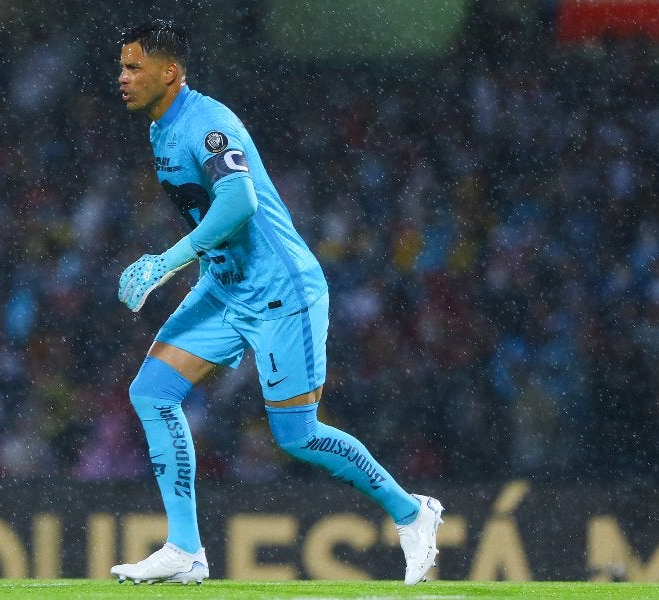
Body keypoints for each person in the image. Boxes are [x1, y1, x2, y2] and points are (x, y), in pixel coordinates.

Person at [111, 19, 443, 586]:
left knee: (298, 435)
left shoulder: (208, 124)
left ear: (170, 72)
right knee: (152, 392)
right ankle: (186, 550)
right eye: (122, 66)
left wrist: (165, 263)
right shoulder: (158, 128)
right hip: (224, 287)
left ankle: (413, 513)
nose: (122, 77)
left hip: (280, 293)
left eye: (134, 67)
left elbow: (237, 202)